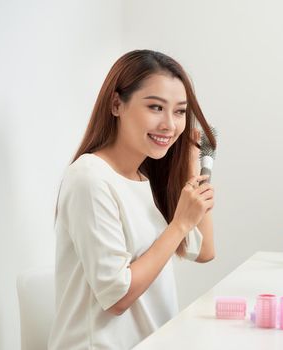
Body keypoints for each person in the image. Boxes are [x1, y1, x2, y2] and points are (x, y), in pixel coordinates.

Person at [48, 49, 217, 350]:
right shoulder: (90, 179)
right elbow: (117, 296)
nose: (170, 124)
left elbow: (205, 250)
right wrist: (178, 224)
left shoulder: (143, 178)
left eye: (179, 111)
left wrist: (191, 163)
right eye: (155, 107)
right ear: (116, 104)